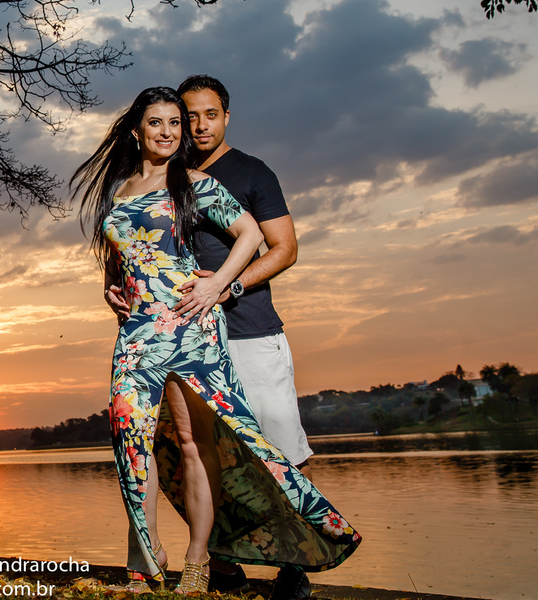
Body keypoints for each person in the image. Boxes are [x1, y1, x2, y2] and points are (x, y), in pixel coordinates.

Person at [74, 87, 359, 595]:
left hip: (192, 327)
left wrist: (218, 284)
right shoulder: (117, 192)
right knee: (129, 442)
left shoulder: (196, 183)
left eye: (175, 124)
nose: (169, 132)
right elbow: (118, 259)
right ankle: (145, 557)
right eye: (157, 123)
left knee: (193, 441)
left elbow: (251, 234)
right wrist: (109, 291)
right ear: (136, 130)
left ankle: (199, 561)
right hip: (136, 336)